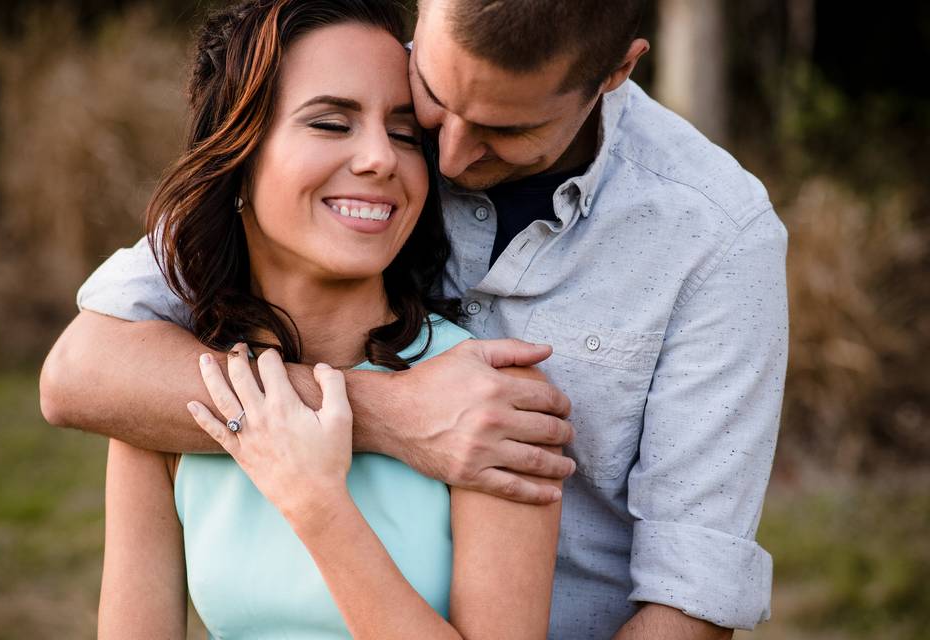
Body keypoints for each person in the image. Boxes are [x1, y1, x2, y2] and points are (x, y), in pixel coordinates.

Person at [42, 0, 789, 637]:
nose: (448, 157)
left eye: (504, 129)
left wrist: (317, 503)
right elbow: (79, 373)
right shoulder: (351, 70)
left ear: (616, 72)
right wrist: (378, 411)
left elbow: (690, 600)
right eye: (431, 104)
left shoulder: (714, 233)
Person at [97, 1, 561, 638]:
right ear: (238, 156)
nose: (380, 158)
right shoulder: (166, 398)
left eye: (403, 134)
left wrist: (316, 504)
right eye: (331, 123)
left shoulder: (494, 407)